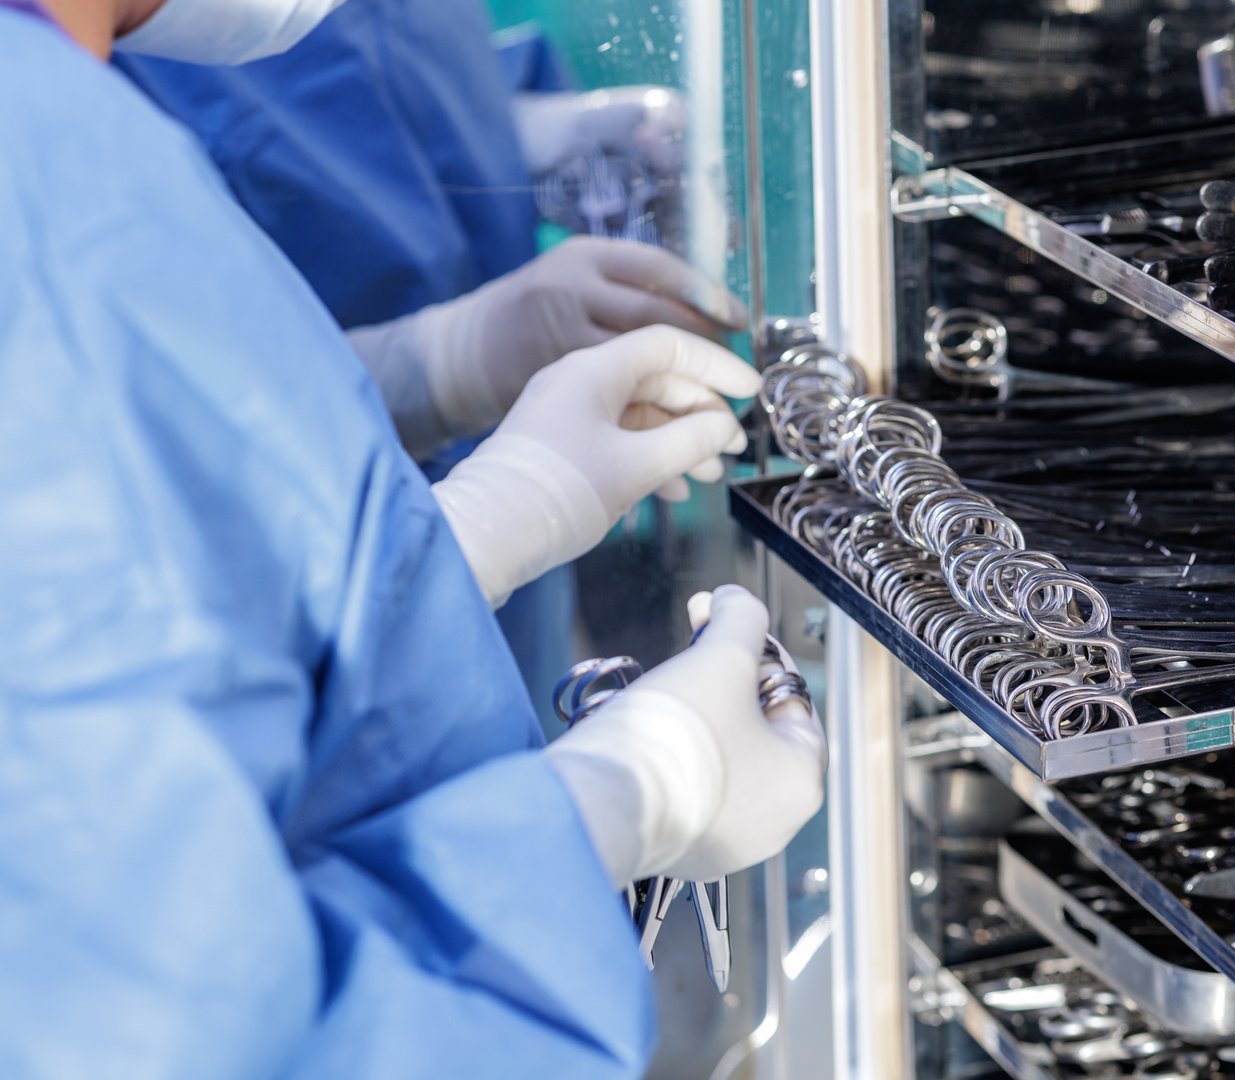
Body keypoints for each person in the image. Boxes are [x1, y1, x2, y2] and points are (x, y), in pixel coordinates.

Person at [0, 1, 826, 1075]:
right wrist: (625, 797)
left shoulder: (57, 129)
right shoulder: (52, 189)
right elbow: (187, 1025)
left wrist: (469, 504)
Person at [114, 0, 733, 703]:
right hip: (322, 604)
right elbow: (137, 410)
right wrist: (444, 364)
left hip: (494, 590)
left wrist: (517, 134)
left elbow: (384, 60)